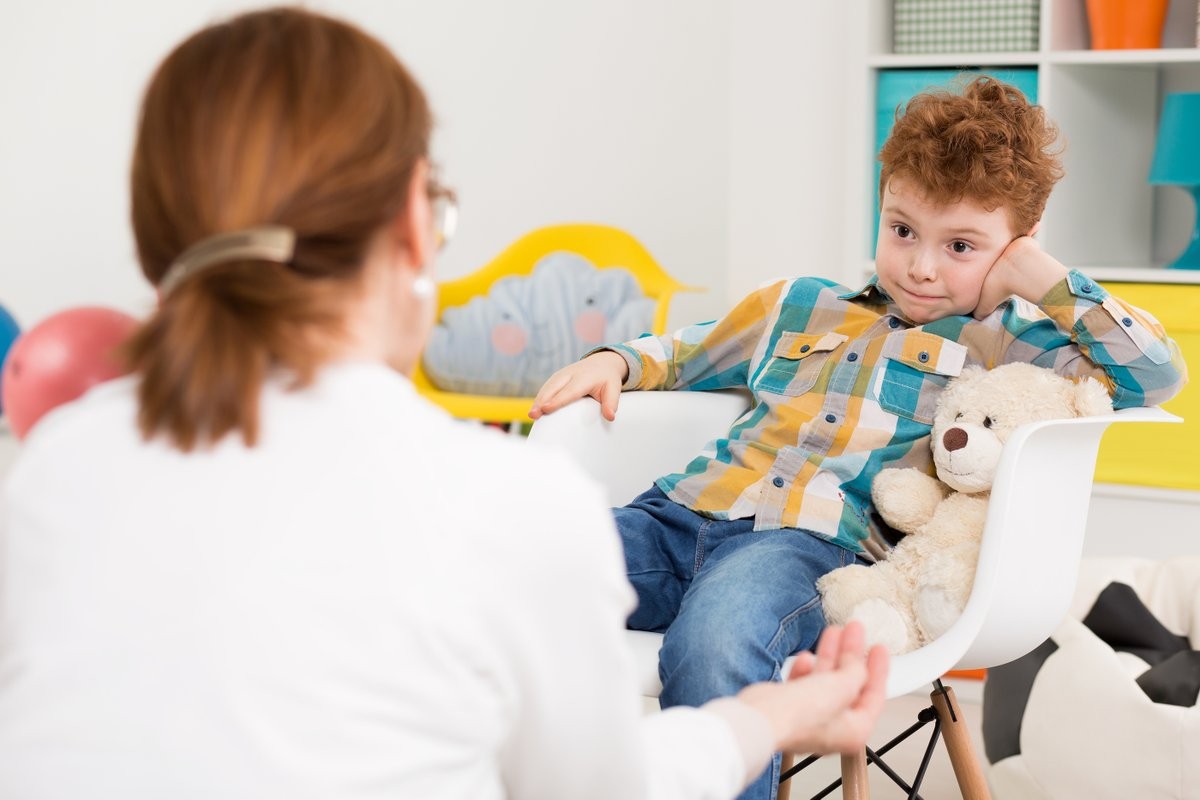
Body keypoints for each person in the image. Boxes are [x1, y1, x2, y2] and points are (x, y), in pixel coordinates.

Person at [0, 8, 890, 800]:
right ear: (415, 228)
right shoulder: (512, 508)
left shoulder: (55, 469)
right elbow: (603, 787)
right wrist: (772, 718)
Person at [530, 75, 1188, 800]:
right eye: (902, 229)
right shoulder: (800, 304)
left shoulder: (1004, 344)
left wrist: (1040, 276)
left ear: (1015, 248)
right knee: (514, 564)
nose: (922, 265)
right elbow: (687, 350)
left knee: (716, 645)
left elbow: (1151, 375)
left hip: (802, 551)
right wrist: (616, 359)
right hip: (677, 513)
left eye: (962, 245)